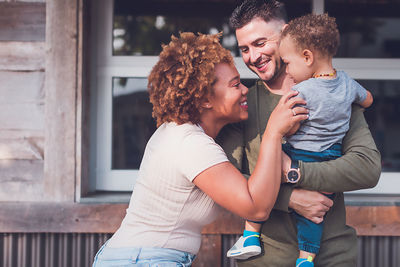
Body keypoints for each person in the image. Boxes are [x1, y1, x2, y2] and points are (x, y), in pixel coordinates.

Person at [92, 32, 308, 267]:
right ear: (205, 99)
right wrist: (273, 133)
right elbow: (255, 208)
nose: (245, 90)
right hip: (143, 259)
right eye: (235, 85)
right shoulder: (190, 143)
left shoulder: (179, 132)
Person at [217, 0, 381, 266]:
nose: (251, 57)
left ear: (286, 34)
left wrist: (297, 171)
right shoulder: (243, 104)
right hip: (265, 259)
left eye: (260, 43)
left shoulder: (338, 94)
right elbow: (227, 180)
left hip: (333, 257)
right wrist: (290, 198)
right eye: (244, 49)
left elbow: (367, 168)